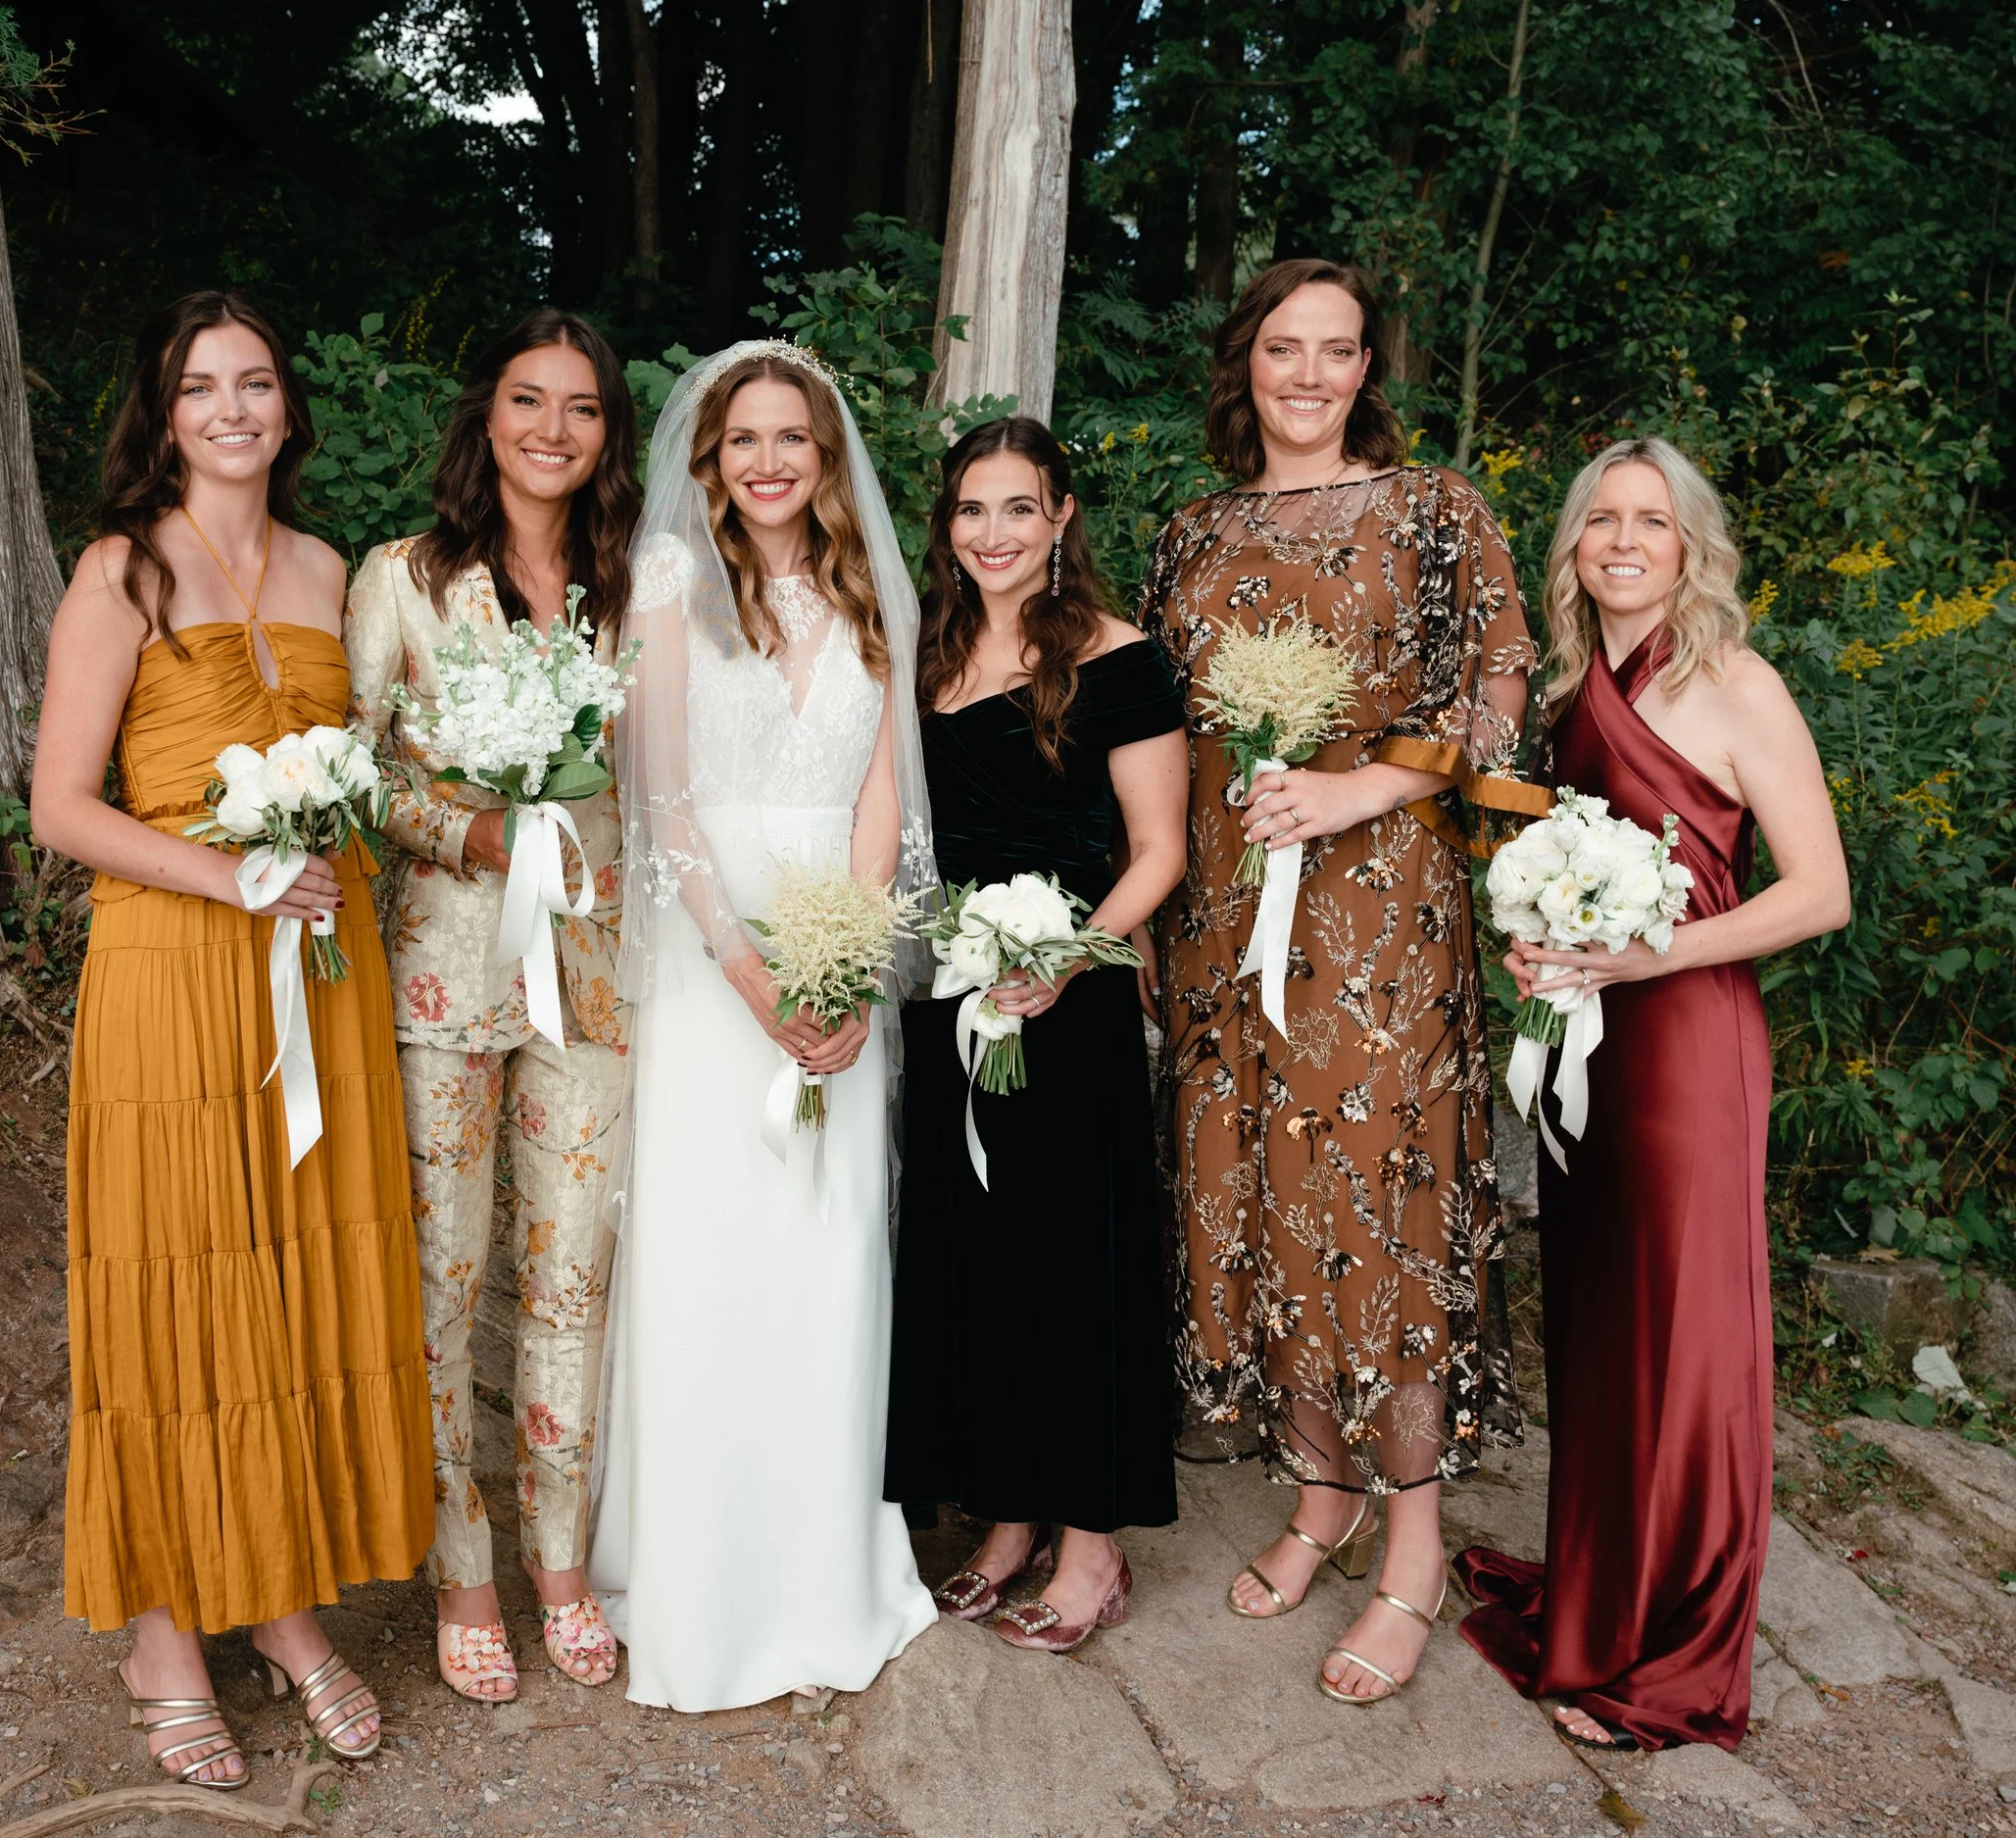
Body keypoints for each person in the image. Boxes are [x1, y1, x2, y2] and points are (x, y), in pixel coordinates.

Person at [32, 292, 430, 1784]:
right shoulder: (120, 569)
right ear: (165, 407)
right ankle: (160, 1637)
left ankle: (279, 1602)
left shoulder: (335, 567)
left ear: (288, 402)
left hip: (318, 973)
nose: (233, 409)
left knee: (288, 1282)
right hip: (173, 968)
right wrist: (233, 871)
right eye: (202, 387)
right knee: (175, 1287)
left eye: (256, 381)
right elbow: (61, 806)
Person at [1144, 258, 1544, 1704]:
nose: (1307, 375)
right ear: (1242, 357)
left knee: (1375, 1207)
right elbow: (1152, 723)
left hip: (1381, 920)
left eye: (1338, 351)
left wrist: (1362, 787)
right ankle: (1320, 1492)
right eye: (1281, 347)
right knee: (1254, 1197)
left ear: (1370, 366)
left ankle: (1415, 1545)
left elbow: (1504, 681)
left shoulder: (1436, 508)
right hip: (1222, 918)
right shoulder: (1192, 532)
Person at [1454, 438, 1848, 1752]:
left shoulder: (1734, 680)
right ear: (1574, 544)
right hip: (1591, 1046)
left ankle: (1674, 1659)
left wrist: (1649, 951)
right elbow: (1569, 862)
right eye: (1601, 519)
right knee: (1601, 1328)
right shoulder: (1574, 686)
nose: (1624, 539)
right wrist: (1543, 937)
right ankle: (1598, 1602)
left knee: (1688, 1346)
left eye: (1653, 521)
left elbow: (1818, 891)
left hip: (1690, 1049)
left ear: (1692, 547)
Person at [588, 342, 940, 1712]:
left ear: (829, 456)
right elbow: (660, 802)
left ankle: (823, 1567)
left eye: (796, 436)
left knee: (829, 1246)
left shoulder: (868, 595)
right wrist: (750, 974)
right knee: (710, 1252)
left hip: (836, 961)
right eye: (747, 438)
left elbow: (882, 799)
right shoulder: (671, 583)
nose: (773, 459)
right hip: (710, 964)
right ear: (710, 458)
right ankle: (698, 1576)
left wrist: (853, 965)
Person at [341, 309, 640, 1703]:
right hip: (445, 969)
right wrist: (473, 835)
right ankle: (463, 1564)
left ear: (608, 431)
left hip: (594, 978)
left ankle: (563, 1559)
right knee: (445, 1274)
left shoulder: (633, 584)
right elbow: (356, 773)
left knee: (573, 1266)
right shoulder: (401, 574)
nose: (553, 430)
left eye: (582, 408)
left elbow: (664, 776)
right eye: (530, 399)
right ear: (487, 411)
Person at [884, 417, 1187, 1655]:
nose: (992, 534)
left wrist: (1063, 962)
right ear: (946, 524)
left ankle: (1092, 1546)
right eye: (970, 510)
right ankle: (1004, 1520)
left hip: (1073, 994)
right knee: (976, 1260)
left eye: (1019, 508)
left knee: (1073, 1267)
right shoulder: (922, 655)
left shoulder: (1119, 659)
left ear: (1061, 517)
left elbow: (1161, 849)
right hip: (955, 988)